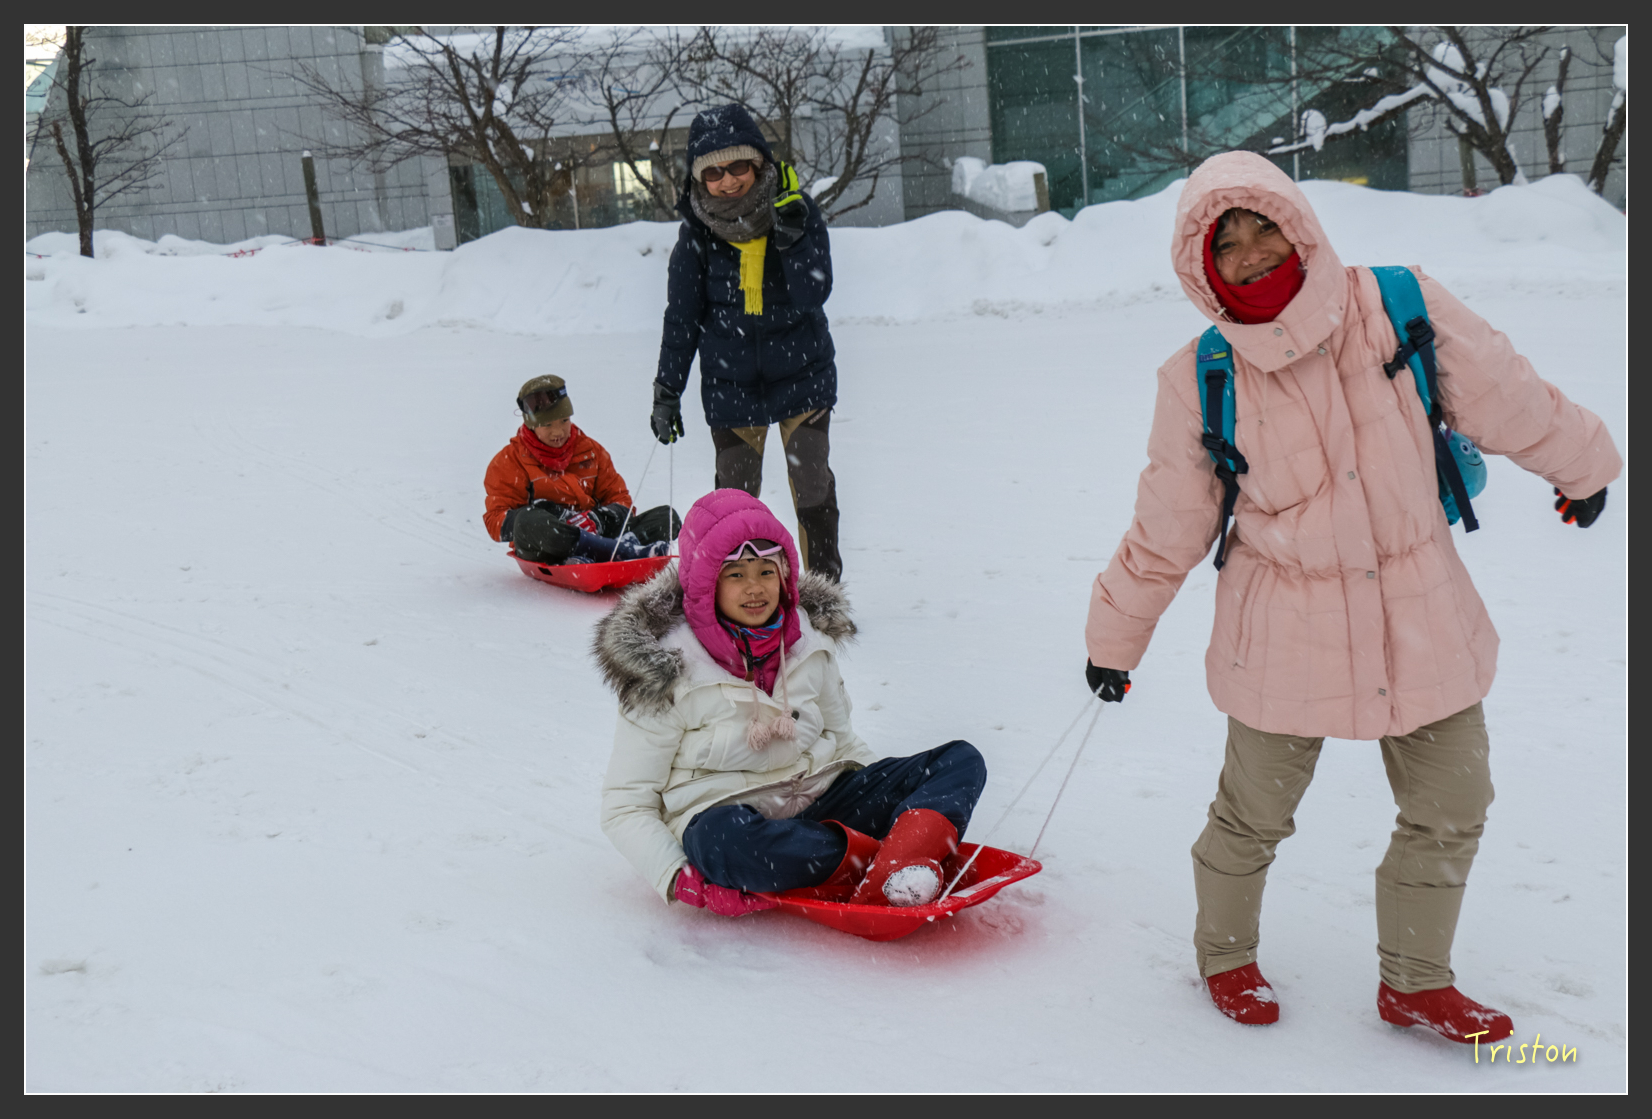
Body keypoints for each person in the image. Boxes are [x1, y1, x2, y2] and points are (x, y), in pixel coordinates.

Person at [1082, 152, 1620, 1041]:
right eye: (1228, 241)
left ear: (1300, 225)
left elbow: (1507, 390)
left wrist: (1582, 464)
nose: (1252, 252)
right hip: (1282, 622)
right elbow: (1167, 522)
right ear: (1201, 263)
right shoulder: (1201, 375)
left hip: (1419, 605)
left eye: (1264, 226)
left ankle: (1415, 980)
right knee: (1252, 813)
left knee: (1454, 799)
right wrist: (1115, 639)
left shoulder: (1396, 304)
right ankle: (1224, 953)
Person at [595, 489, 987, 914]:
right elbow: (626, 805)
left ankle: (894, 861)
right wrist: (676, 875)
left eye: (767, 571)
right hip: (735, 820)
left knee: (960, 760)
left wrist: (883, 798)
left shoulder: (810, 644)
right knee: (720, 842)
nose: (755, 588)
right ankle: (875, 863)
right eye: (736, 574)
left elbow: (845, 744)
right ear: (706, 581)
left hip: (821, 801)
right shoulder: (663, 670)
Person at [648, 103, 844, 581]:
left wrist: (794, 241)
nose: (728, 181)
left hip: (802, 375)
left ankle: (822, 595)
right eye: (713, 172)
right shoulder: (696, 235)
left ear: (760, 164)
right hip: (731, 386)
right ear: (699, 180)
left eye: (739, 166)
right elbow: (682, 319)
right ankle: (737, 601)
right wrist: (667, 391)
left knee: (812, 489)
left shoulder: (794, 210)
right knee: (735, 505)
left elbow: (813, 294)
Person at [485, 374, 678, 565]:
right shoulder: (509, 460)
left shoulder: (591, 451)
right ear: (531, 425)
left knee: (667, 517)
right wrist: (554, 517)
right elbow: (495, 520)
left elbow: (620, 499)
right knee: (528, 520)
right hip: (549, 546)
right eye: (547, 424)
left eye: (564, 420)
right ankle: (617, 551)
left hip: (597, 532)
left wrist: (597, 519)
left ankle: (602, 552)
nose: (558, 432)